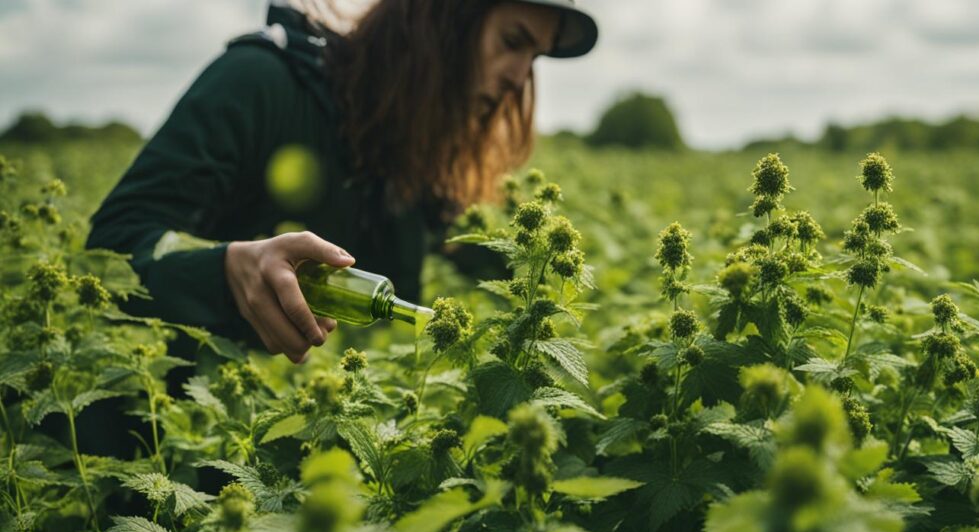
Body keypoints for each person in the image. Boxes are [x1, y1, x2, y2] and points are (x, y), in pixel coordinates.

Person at [86, 0, 598, 364]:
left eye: (535, 58)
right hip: (178, 451)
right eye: (513, 42)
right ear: (440, 19)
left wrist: (544, 269)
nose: (518, 78)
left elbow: (472, 249)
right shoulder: (259, 82)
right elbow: (112, 245)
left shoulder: (411, 149)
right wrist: (228, 269)